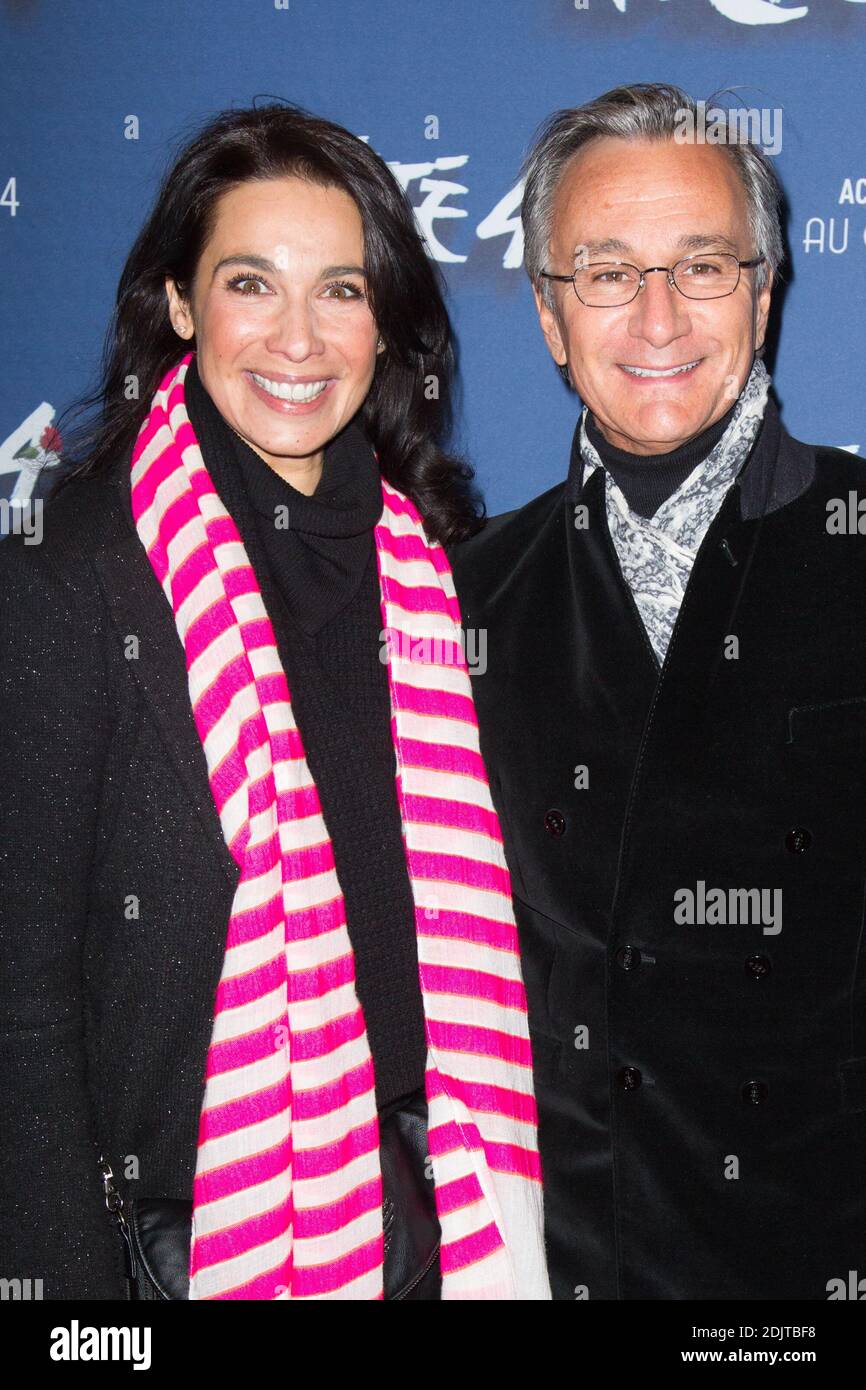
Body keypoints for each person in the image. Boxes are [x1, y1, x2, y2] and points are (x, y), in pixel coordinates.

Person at [0, 102, 550, 1301]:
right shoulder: (67, 575)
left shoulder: (437, 571)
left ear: (385, 321)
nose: (298, 339)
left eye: (341, 291)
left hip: (425, 1216)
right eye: (252, 284)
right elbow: (19, 997)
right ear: (181, 306)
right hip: (178, 1251)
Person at [450, 82, 866, 1300]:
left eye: (700, 265)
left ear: (763, 288)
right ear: (544, 314)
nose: (653, 315)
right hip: (571, 1265)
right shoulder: (461, 599)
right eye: (602, 271)